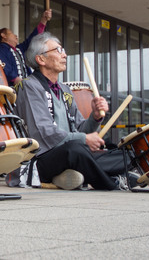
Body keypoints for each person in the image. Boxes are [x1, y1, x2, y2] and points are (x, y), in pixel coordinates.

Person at [13, 32, 138, 191]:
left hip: (71, 154)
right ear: (41, 59)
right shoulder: (29, 86)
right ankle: (112, 183)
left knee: (125, 153)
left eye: (63, 50)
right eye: (58, 50)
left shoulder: (64, 90)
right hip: (40, 159)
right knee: (75, 150)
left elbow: (80, 129)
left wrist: (94, 116)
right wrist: (84, 139)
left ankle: (72, 175)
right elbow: (43, 132)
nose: (64, 55)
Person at [0, 9, 52, 86]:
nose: (16, 36)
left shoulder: (19, 49)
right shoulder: (1, 48)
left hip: (25, 86)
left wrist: (43, 20)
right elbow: (3, 65)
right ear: (3, 35)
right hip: (12, 89)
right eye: (11, 33)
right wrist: (15, 79)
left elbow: (33, 39)